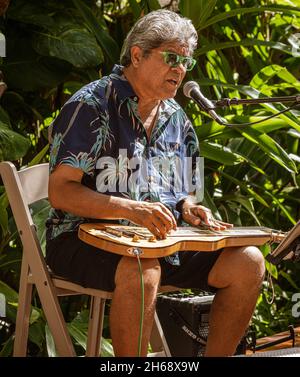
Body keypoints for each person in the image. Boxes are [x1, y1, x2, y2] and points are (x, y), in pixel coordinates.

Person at [46, 9, 265, 357]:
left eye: (186, 63)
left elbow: (184, 192)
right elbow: (60, 192)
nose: (179, 69)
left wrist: (190, 208)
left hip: (160, 243)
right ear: (137, 54)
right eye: (171, 58)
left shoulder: (176, 117)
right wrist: (130, 210)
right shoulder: (91, 106)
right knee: (141, 267)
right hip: (80, 239)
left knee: (248, 262)